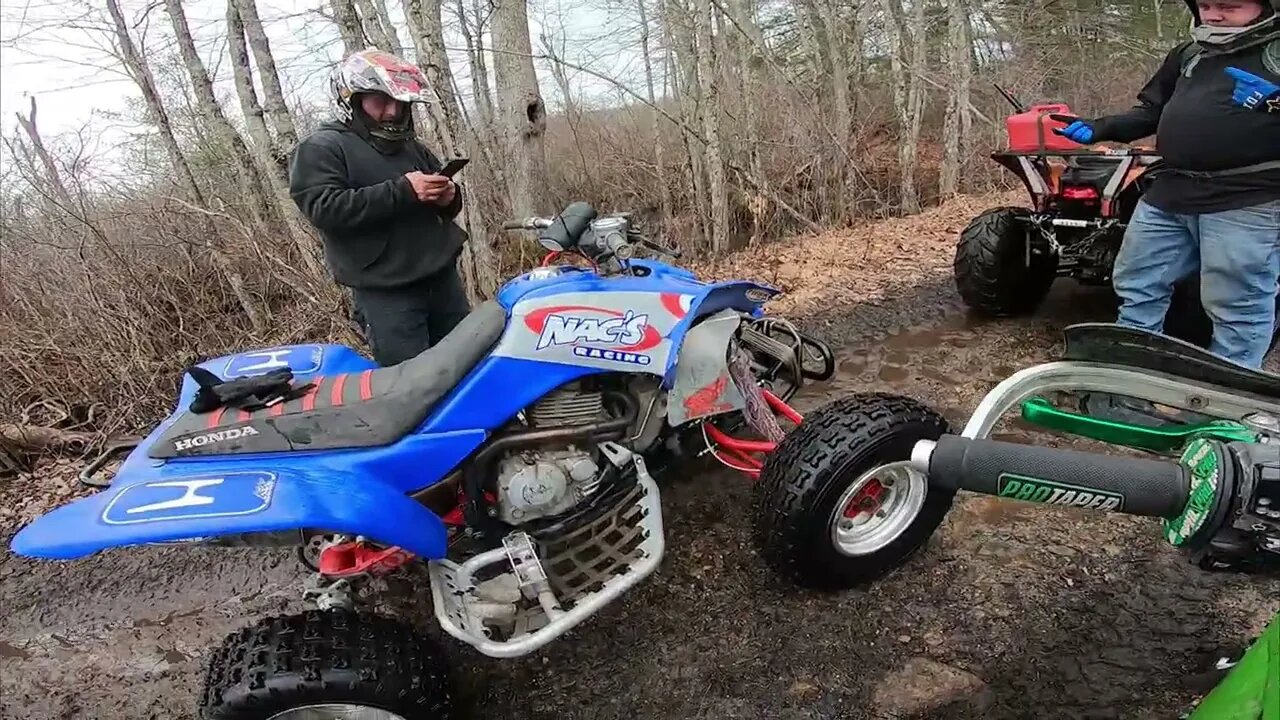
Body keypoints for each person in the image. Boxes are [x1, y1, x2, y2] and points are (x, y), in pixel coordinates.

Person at [1053, 0, 1280, 369]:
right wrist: (1101, 127)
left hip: (1247, 197)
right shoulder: (1191, 53)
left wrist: (1275, 103)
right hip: (1171, 190)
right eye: (1205, 5)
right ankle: (1131, 371)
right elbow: (1151, 111)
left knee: (1237, 303)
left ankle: (1227, 401)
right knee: (1136, 283)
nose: (1213, 15)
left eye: (1229, 6)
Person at [289, 49, 470, 367]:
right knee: (412, 387)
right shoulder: (322, 147)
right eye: (380, 101)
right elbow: (323, 208)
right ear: (352, 99)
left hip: (441, 282)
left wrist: (448, 197)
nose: (391, 111)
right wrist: (402, 191)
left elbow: (444, 206)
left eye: (399, 103)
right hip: (387, 294)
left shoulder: (409, 146)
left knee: (467, 369)